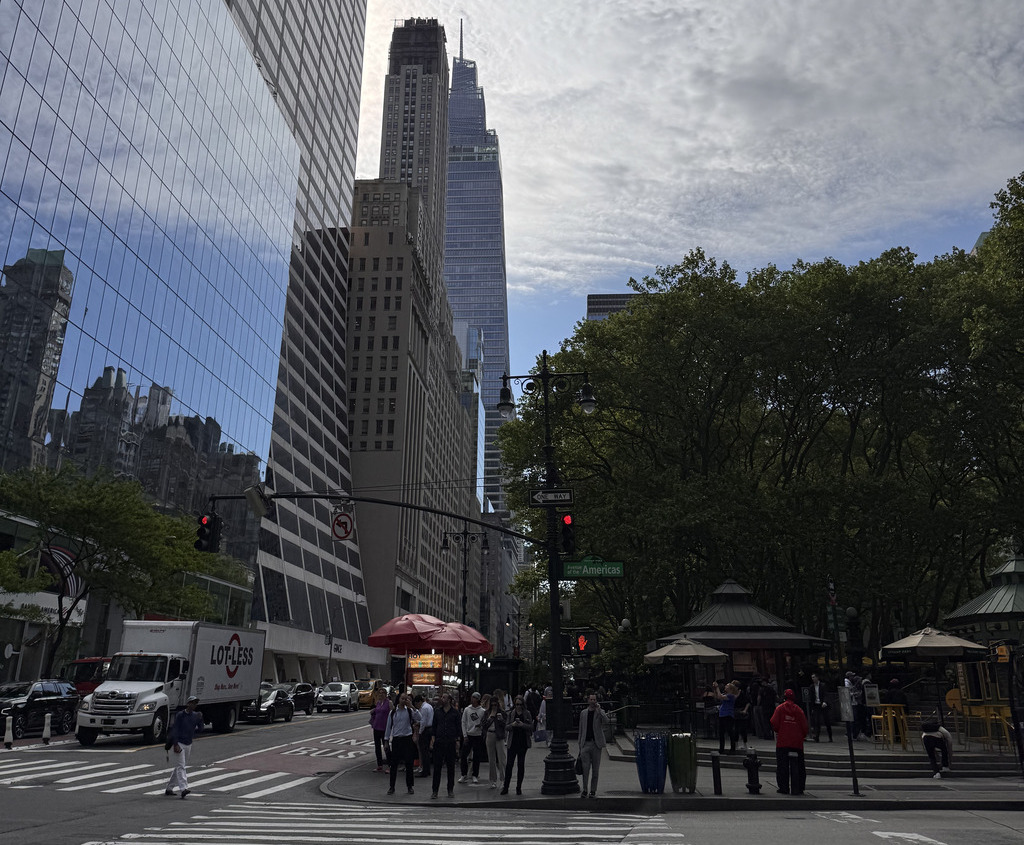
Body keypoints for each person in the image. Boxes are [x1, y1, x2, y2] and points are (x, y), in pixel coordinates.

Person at [770, 688, 809, 795]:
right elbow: (804, 726)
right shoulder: (799, 710)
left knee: (782, 765)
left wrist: (778, 730)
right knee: (800, 765)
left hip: (783, 741)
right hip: (796, 742)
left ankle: (784, 787)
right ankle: (799, 787)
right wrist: (802, 735)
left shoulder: (780, 708)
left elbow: (774, 723)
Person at [164, 695, 204, 799]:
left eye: (195, 703)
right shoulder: (180, 715)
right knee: (181, 766)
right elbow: (175, 730)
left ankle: (169, 788)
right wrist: (176, 744)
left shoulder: (195, 715)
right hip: (180, 743)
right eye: (192, 702)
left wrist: (201, 720)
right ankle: (184, 788)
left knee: (179, 766)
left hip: (188, 744)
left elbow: (200, 730)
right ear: (188, 704)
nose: (194, 705)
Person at [384, 692, 420, 795]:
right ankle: (392, 787)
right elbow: (388, 727)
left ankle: (410, 786)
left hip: (407, 739)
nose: (404, 700)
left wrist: (412, 706)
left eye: (406, 699)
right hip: (396, 740)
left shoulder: (409, 711)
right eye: (403, 698)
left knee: (409, 764)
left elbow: (419, 718)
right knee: (394, 765)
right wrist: (386, 741)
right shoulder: (393, 712)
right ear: (398, 699)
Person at [430, 692, 462, 798]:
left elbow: (458, 728)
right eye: (441, 697)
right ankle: (435, 791)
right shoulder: (438, 712)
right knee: (437, 767)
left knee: (450, 767)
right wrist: (433, 739)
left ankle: (450, 789)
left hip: (450, 742)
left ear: (449, 700)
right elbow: (434, 726)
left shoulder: (455, 713)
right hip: (439, 742)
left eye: (444, 697)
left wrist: (457, 741)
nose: (442, 699)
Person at [577, 691, 608, 798]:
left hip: (596, 744)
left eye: (594, 700)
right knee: (585, 769)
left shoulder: (599, 712)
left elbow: (606, 721)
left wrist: (599, 710)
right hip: (585, 743)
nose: (593, 701)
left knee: (595, 770)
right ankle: (585, 789)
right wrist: (580, 745)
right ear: (588, 700)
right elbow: (581, 729)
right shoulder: (583, 713)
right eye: (591, 699)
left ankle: (593, 790)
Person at [501, 695, 535, 795]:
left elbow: (531, 727)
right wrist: (513, 725)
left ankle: (518, 787)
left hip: (523, 742)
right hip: (513, 742)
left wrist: (522, 725)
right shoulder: (511, 713)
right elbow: (506, 726)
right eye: (516, 704)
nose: (518, 706)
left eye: (520, 704)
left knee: (521, 765)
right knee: (509, 765)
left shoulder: (527, 713)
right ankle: (506, 787)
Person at [458, 690, 486, 783]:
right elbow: (463, 722)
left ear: (478, 699)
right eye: (472, 697)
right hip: (468, 735)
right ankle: (464, 774)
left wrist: (480, 728)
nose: (472, 699)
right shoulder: (467, 709)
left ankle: (475, 774)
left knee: (476, 756)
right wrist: (465, 734)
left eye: (474, 698)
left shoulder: (482, 711)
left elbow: (484, 723)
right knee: (463, 755)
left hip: (477, 735)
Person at [482, 692, 507, 788]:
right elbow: (484, 725)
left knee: (501, 758)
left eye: (495, 705)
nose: (494, 706)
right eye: (492, 705)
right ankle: (493, 779)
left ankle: (504, 778)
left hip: (499, 735)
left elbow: (506, 724)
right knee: (491, 759)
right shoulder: (487, 713)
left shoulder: (502, 713)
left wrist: (501, 719)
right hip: (490, 734)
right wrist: (490, 717)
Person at [369, 687, 392, 773]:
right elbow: (376, 711)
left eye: (383, 693)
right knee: (377, 747)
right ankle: (379, 765)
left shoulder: (389, 703)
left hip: (385, 727)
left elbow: (392, 713)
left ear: (386, 694)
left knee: (386, 746)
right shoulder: (378, 703)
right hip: (376, 727)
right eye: (379, 693)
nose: (381, 694)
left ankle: (390, 765)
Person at [712, 680, 738, 754]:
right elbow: (718, 697)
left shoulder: (731, 696)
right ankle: (721, 748)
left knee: (730, 731)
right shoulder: (725, 694)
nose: (725, 687)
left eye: (727, 686)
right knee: (721, 732)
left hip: (728, 715)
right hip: (722, 714)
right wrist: (715, 689)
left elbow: (720, 696)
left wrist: (717, 687)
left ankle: (732, 748)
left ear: (730, 689)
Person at [413, 693, 434, 778]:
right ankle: (427, 769)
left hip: (425, 730)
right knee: (426, 751)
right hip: (429, 728)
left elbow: (423, 721)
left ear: (419, 702)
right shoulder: (429, 706)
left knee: (423, 751)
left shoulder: (424, 708)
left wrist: (420, 732)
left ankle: (425, 770)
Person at [808, 672, 832, 742]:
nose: (813, 679)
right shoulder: (811, 687)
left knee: (827, 721)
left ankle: (830, 736)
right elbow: (811, 697)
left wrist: (825, 702)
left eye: (814, 677)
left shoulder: (823, 685)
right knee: (817, 721)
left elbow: (825, 694)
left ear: (817, 678)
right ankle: (817, 737)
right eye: (812, 677)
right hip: (816, 705)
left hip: (823, 705)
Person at [733, 680, 751, 751]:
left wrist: (745, 710)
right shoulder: (731, 694)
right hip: (735, 711)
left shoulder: (742, 693)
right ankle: (736, 744)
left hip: (741, 711)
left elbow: (747, 702)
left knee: (743, 729)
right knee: (735, 729)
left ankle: (745, 744)